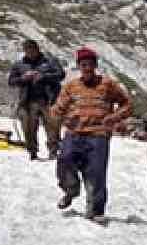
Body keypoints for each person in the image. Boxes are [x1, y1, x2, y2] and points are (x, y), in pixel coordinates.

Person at [51, 47, 132, 224]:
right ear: (79, 66)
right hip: (74, 134)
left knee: (96, 172)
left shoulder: (107, 84)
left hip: (98, 135)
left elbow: (126, 104)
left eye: (90, 64)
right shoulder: (71, 87)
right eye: (83, 65)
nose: (86, 68)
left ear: (95, 66)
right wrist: (59, 116)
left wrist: (114, 117)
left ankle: (96, 210)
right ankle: (71, 190)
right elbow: (57, 110)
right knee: (64, 161)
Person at [8, 39, 65, 160]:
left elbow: (60, 74)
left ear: (37, 49)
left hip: (48, 99)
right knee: (28, 126)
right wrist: (23, 78)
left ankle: (53, 151)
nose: (29, 52)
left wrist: (43, 76)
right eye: (27, 50)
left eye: (31, 49)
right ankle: (32, 151)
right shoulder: (19, 64)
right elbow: (11, 81)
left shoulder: (49, 62)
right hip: (27, 101)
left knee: (52, 126)